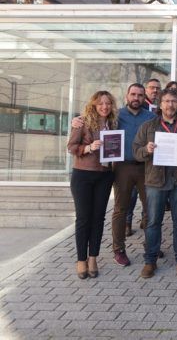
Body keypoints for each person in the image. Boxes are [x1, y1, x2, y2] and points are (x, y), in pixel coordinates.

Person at [134, 88, 177, 279]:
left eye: (174, 101)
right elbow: (136, 151)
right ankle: (150, 261)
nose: (171, 105)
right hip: (155, 180)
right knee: (153, 222)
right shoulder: (148, 126)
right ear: (160, 104)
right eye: (167, 101)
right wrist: (146, 149)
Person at [67, 90, 118, 279]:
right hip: (83, 175)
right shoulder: (82, 122)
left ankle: (93, 257)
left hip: (105, 176)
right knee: (83, 219)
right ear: (94, 105)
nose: (104, 107)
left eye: (108, 103)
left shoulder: (113, 123)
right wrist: (88, 148)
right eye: (100, 104)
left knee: (98, 219)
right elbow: (71, 147)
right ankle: (81, 260)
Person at [111, 84, 155, 267]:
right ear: (127, 95)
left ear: (145, 98)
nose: (136, 98)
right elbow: (96, 123)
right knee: (121, 209)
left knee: (149, 209)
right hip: (123, 167)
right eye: (133, 94)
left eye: (140, 95)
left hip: (146, 167)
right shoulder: (116, 116)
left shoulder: (151, 117)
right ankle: (119, 249)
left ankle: (151, 245)